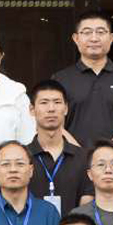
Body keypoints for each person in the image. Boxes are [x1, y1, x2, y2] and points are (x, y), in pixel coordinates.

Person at [52, 12, 113, 149]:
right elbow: (55, 124)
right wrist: (79, 153)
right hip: (72, 157)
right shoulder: (60, 79)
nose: (94, 38)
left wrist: (109, 151)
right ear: (76, 38)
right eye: (87, 32)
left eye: (100, 32)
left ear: (111, 38)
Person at [25, 79, 89, 215]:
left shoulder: (83, 158)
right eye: (44, 103)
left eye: (57, 102)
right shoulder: (22, 157)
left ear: (66, 109)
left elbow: (87, 206)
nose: (51, 109)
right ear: (32, 109)